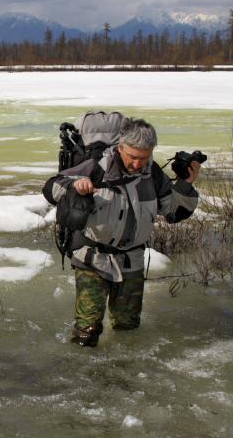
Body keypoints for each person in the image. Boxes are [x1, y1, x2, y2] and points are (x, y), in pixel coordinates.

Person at [42, 117, 201, 347]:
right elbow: (50, 188)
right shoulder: (97, 166)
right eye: (133, 157)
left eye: (144, 158)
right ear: (120, 147)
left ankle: (124, 374)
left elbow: (173, 213)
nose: (138, 164)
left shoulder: (153, 174)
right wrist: (74, 186)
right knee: (87, 331)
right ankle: (82, 375)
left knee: (128, 328)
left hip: (131, 261)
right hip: (92, 259)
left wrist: (186, 184)